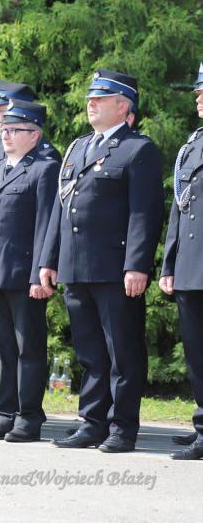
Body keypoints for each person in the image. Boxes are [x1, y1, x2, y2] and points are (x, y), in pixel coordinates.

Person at [40, 69, 164, 453]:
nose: (91, 103)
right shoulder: (78, 148)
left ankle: (122, 427)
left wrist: (137, 265)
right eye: (90, 97)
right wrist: (50, 259)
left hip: (114, 269)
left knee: (122, 353)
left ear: (123, 106)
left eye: (101, 98)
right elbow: (62, 208)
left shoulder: (137, 150)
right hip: (77, 266)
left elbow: (144, 213)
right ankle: (92, 422)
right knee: (90, 352)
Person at [0, 99, 59, 442]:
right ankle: (5, 413)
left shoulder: (44, 169)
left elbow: (46, 225)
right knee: (2, 349)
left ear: (34, 135)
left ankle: (28, 416)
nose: (6, 135)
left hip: (23, 275)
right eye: (5, 129)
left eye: (15, 130)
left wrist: (39, 273)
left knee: (27, 348)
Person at [159, 62, 203, 460]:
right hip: (191, 267)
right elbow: (179, 207)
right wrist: (169, 265)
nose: (198, 98)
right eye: (198, 91)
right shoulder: (192, 146)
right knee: (196, 352)